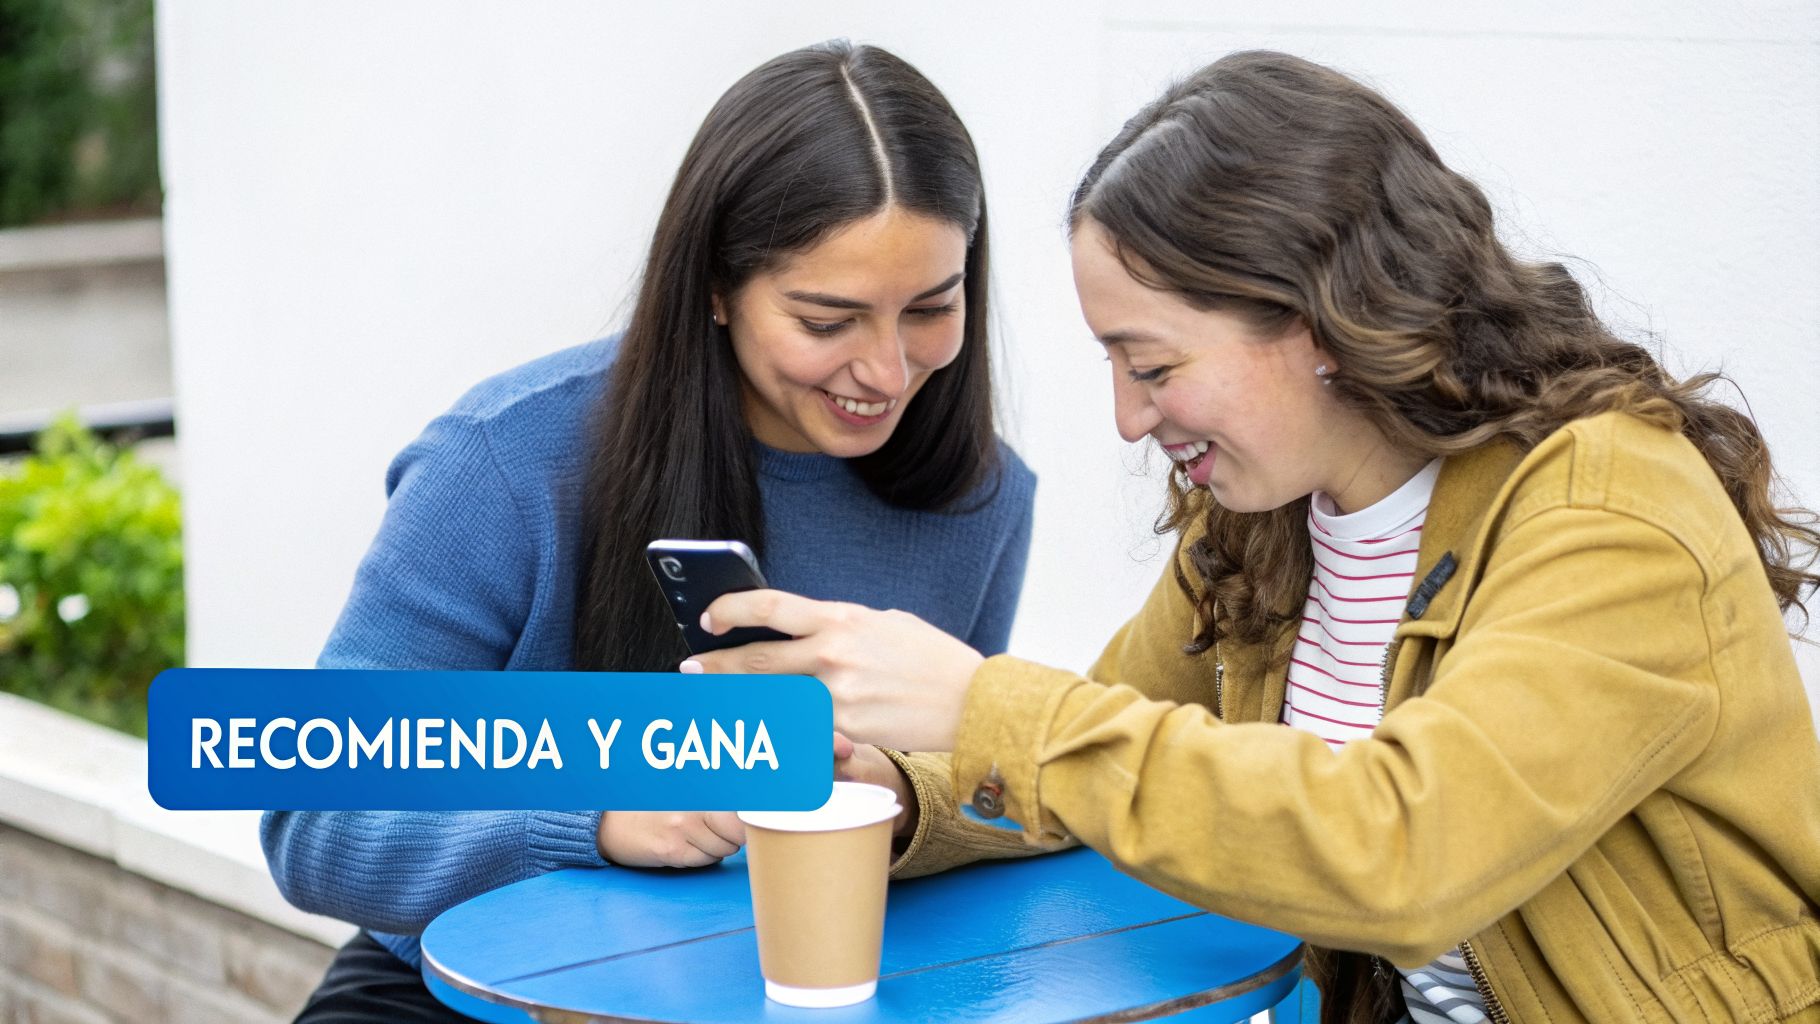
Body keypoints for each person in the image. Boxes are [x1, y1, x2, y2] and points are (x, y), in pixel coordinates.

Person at [688, 51, 1820, 1023]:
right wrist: (894, 784)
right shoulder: (1267, 528)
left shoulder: (1607, 507)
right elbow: (1091, 761)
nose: (1129, 418)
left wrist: (985, 706)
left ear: (1316, 319)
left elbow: (1407, 852)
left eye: (1153, 365)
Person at [261, 40, 1036, 1023]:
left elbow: (964, 803)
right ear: (714, 285)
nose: (885, 370)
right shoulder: (505, 462)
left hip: (783, 992)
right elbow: (314, 816)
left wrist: (905, 791)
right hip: (465, 1001)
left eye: (930, 307)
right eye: (826, 318)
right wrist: (598, 815)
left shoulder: (981, 499)